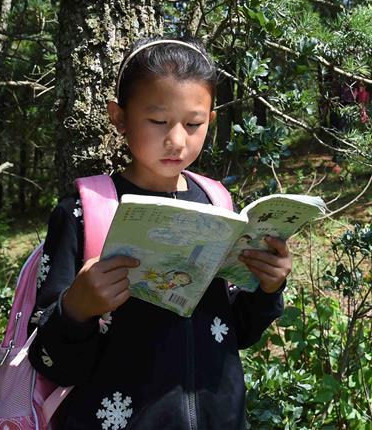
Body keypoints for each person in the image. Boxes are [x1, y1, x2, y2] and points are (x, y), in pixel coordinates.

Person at [28, 36, 291, 429]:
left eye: (194, 123)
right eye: (157, 121)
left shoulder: (218, 203)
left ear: (211, 121)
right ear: (119, 118)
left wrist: (267, 288)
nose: (177, 140)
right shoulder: (83, 213)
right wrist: (77, 309)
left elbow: (234, 332)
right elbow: (51, 361)